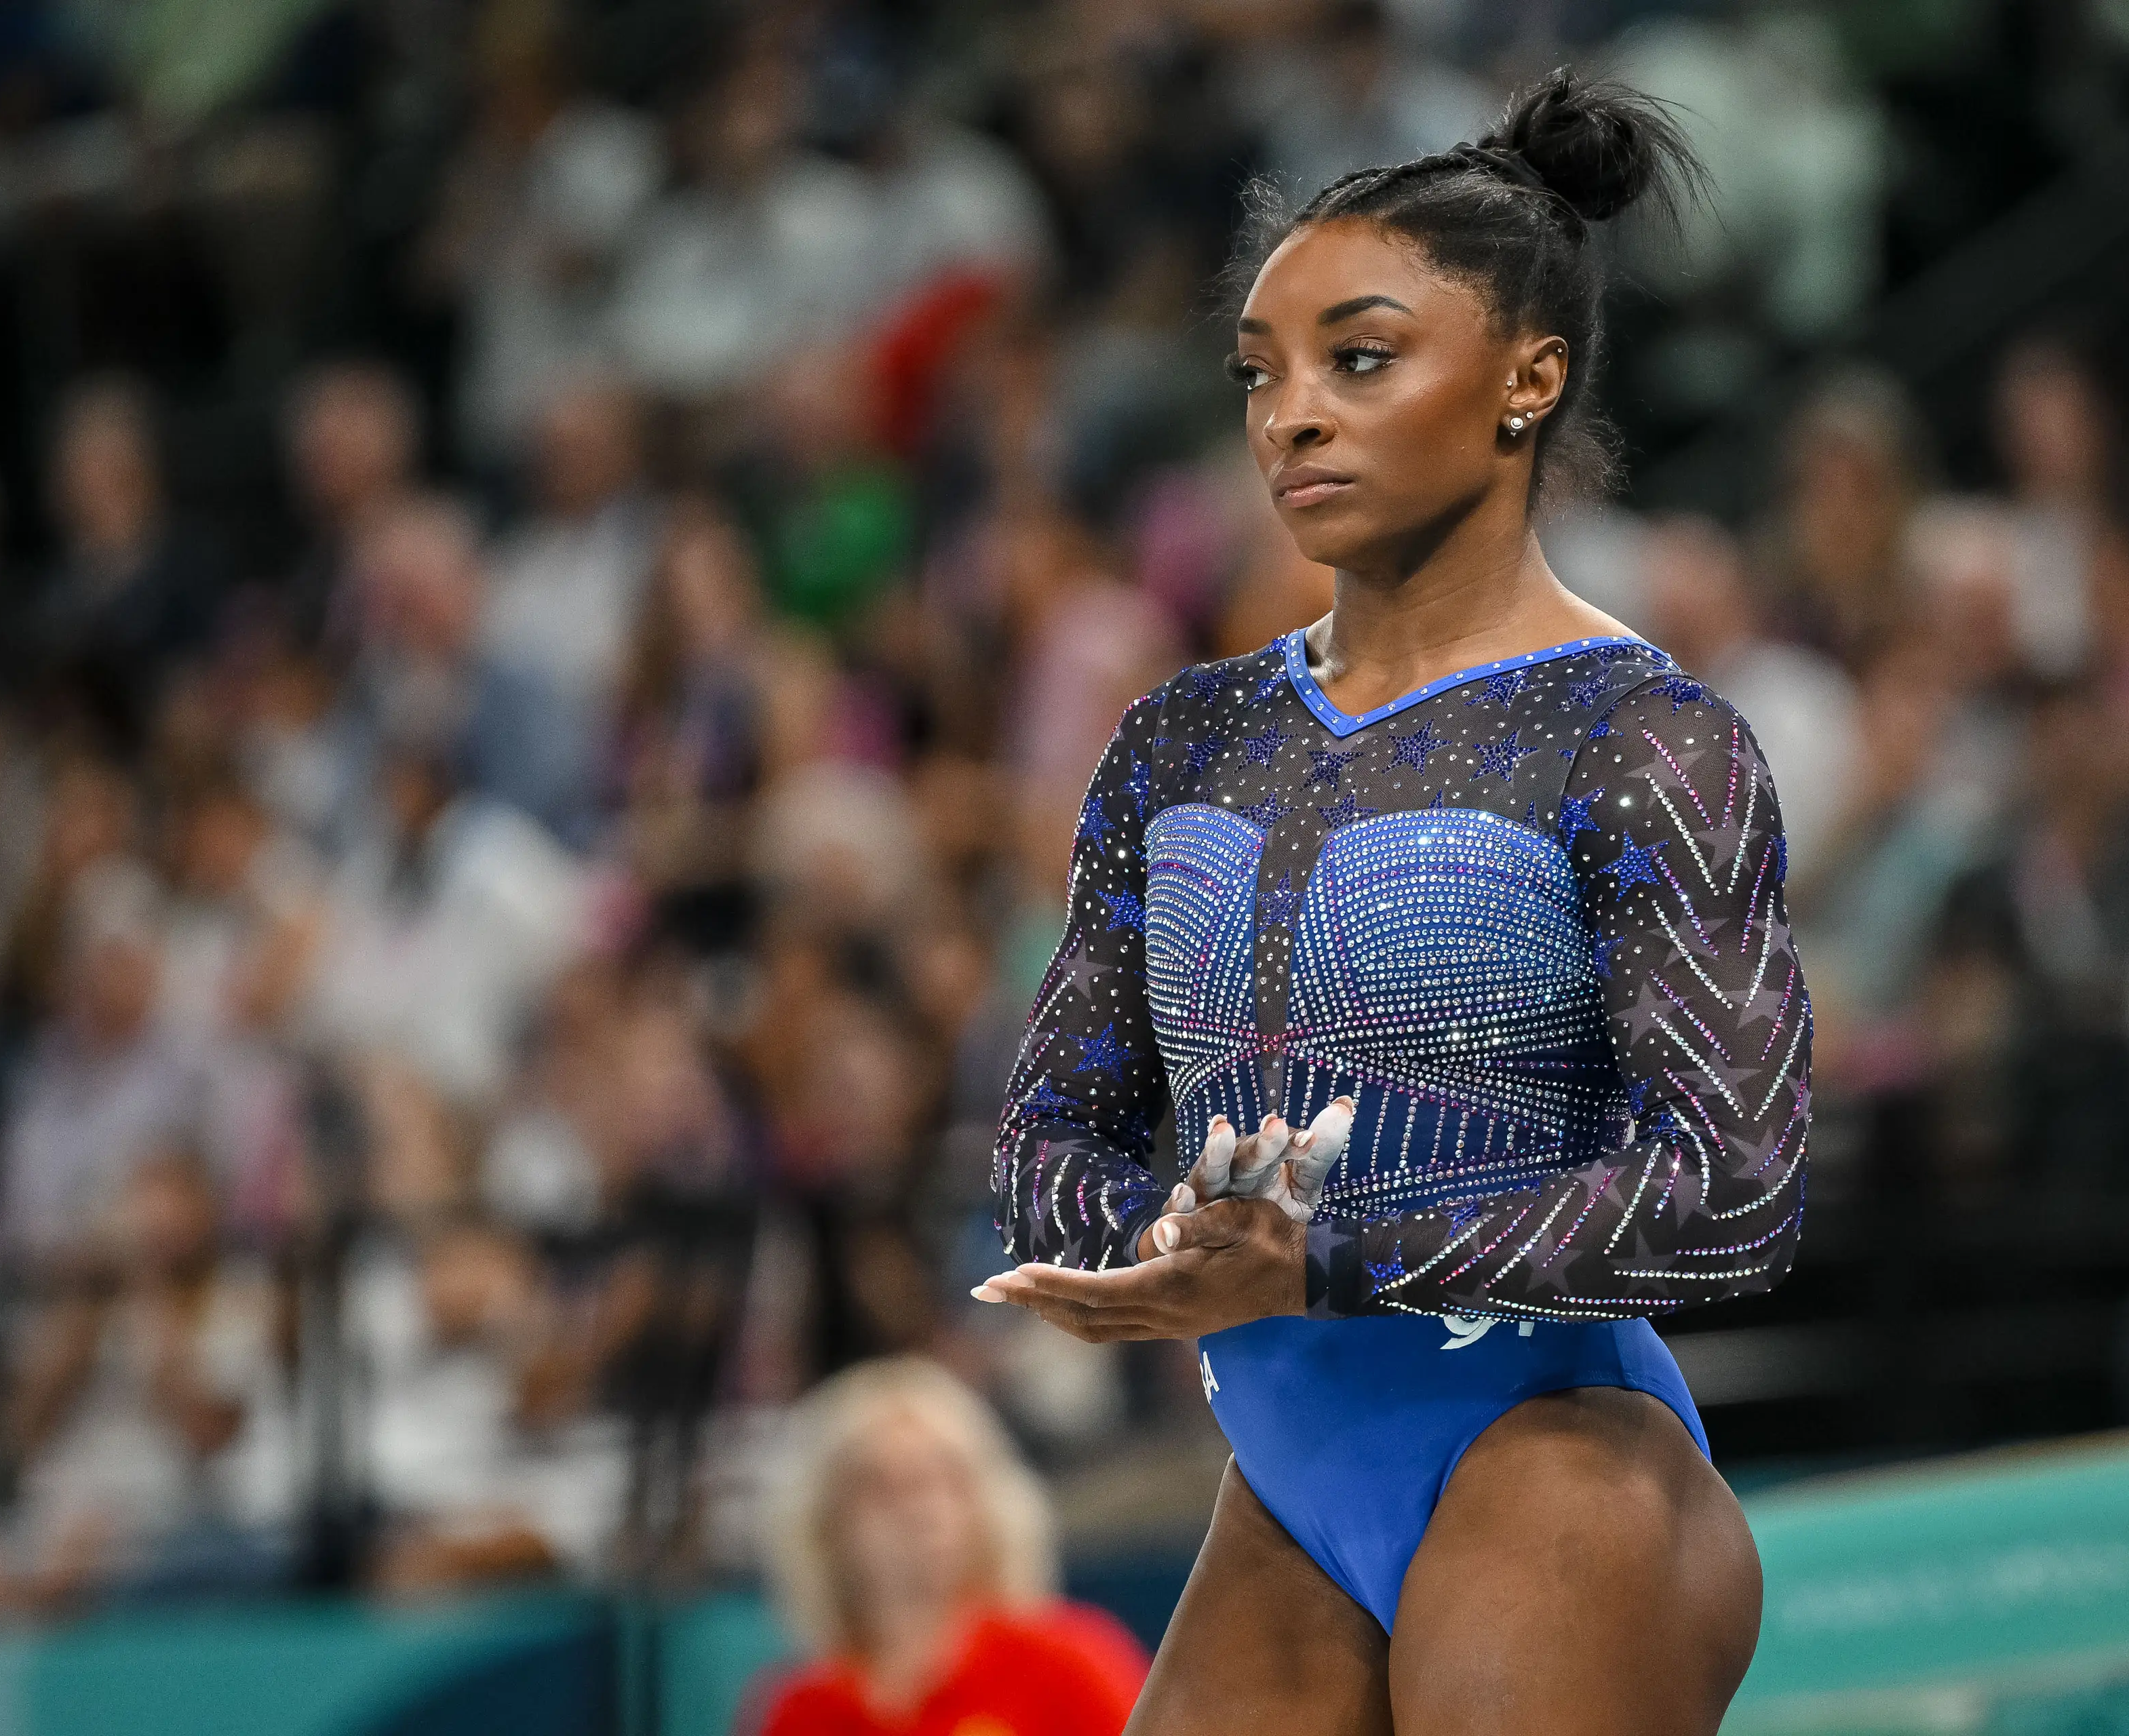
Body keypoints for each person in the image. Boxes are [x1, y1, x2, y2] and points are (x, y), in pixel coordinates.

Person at [975, 73, 1806, 1735]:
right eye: (1259, 372)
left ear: (1526, 377)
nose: (1288, 413)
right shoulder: (1182, 735)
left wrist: (1324, 1254)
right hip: (1284, 1484)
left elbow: (1729, 1186)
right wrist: (1148, 1248)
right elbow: (1045, 1137)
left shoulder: (1642, 737)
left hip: (1556, 1457)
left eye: (1357, 359)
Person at [747, 1356, 1148, 1736]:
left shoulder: (1070, 1664)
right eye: (881, 1486)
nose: (917, 1511)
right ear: (827, 1523)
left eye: (943, 1480)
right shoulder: (801, 1710)